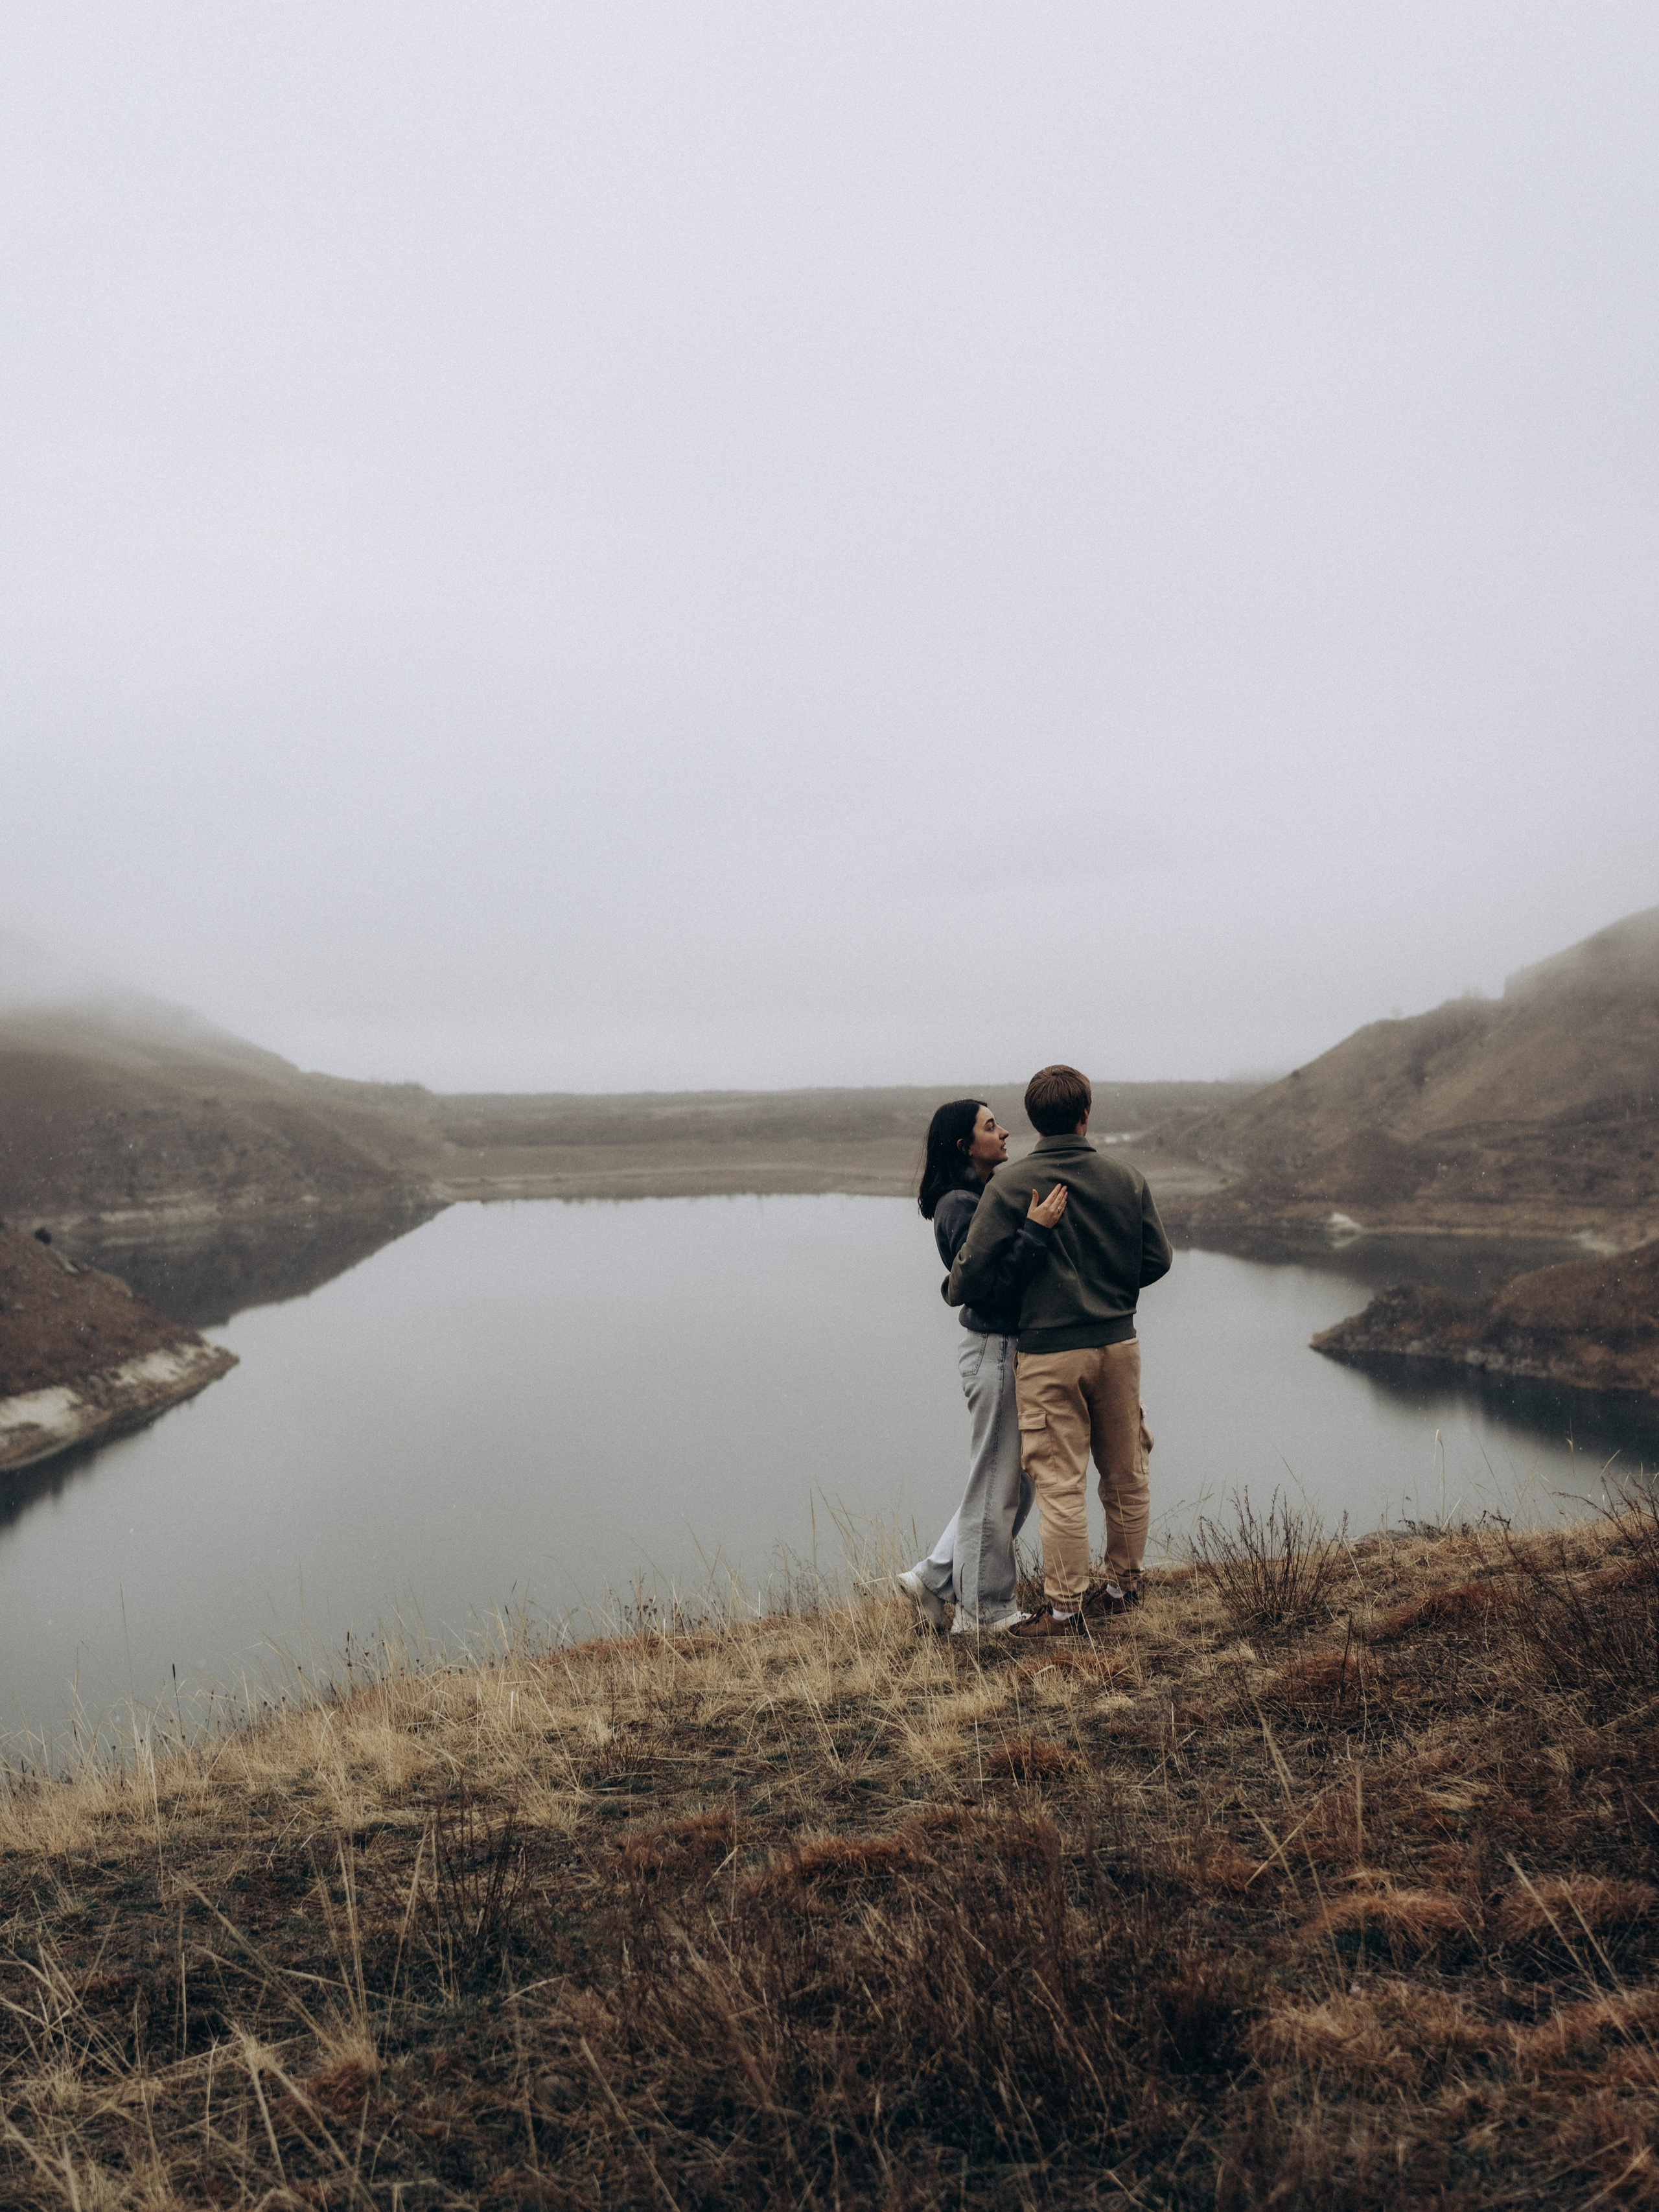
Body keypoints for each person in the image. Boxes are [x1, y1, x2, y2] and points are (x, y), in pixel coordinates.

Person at [947, 1065, 1170, 1641]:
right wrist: (1111, 1290)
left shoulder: (1012, 1184)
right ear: (1086, 1113)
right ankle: (1125, 1588)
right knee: (1126, 1472)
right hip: (1118, 1345)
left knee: (1059, 1484)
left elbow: (968, 1280)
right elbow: (1159, 1260)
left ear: (1033, 1119)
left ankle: (1066, 1610)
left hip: (1048, 1353)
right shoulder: (1125, 1178)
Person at [898, 1099, 1069, 1634]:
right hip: (995, 1347)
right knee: (997, 1484)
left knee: (1006, 1484)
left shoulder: (978, 1196)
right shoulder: (958, 1204)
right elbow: (989, 1288)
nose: (1004, 1132)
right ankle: (985, 1612)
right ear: (964, 1146)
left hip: (1005, 1348)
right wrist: (1036, 1231)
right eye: (990, 1127)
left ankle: (934, 1577)